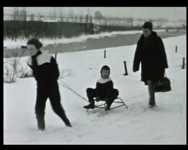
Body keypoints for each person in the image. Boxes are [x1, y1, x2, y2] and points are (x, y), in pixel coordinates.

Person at [26, 38, 72, 130]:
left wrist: (49, 76)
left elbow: (56, 73)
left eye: (32, 49)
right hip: (40, 87)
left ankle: (67, 122)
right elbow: (35, 73)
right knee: (38, 108)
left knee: (56, 107)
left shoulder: (48, 57)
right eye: (28, 49)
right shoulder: (29, 61)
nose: (30, 51)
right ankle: (41, 128)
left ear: (37, 48)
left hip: (52, 87)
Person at [133, 22, 168, 107]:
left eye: (146, 31)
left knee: (155, 82)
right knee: (149, 82)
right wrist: (136, 66)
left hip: (157, 66)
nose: (145, 33)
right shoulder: (141, 41)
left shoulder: (157, 40)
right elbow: (137, 54)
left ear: (151, 30)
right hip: (146, 66)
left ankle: (152, 99)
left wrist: (164, 65)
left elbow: (162, 53)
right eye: (143, 31)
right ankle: (151, 100)